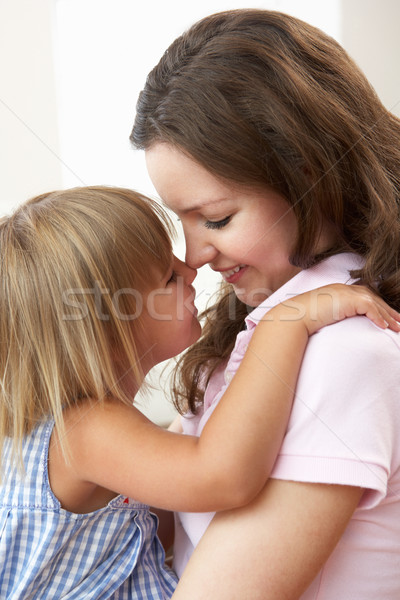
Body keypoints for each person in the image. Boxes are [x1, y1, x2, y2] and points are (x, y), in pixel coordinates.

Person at [1, 186, 392, 598]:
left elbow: (150, 523)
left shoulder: (76, 430)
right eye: (169, 277)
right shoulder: (85, 429)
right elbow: (224, 477)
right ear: (108, 333)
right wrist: (282, 326)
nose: (191, 270)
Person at [130, 8, 400, 599]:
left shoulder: (345, 354)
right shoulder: (264, 323)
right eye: (183, 221)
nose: (195, 254)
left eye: (217, 218)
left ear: (307, 172)